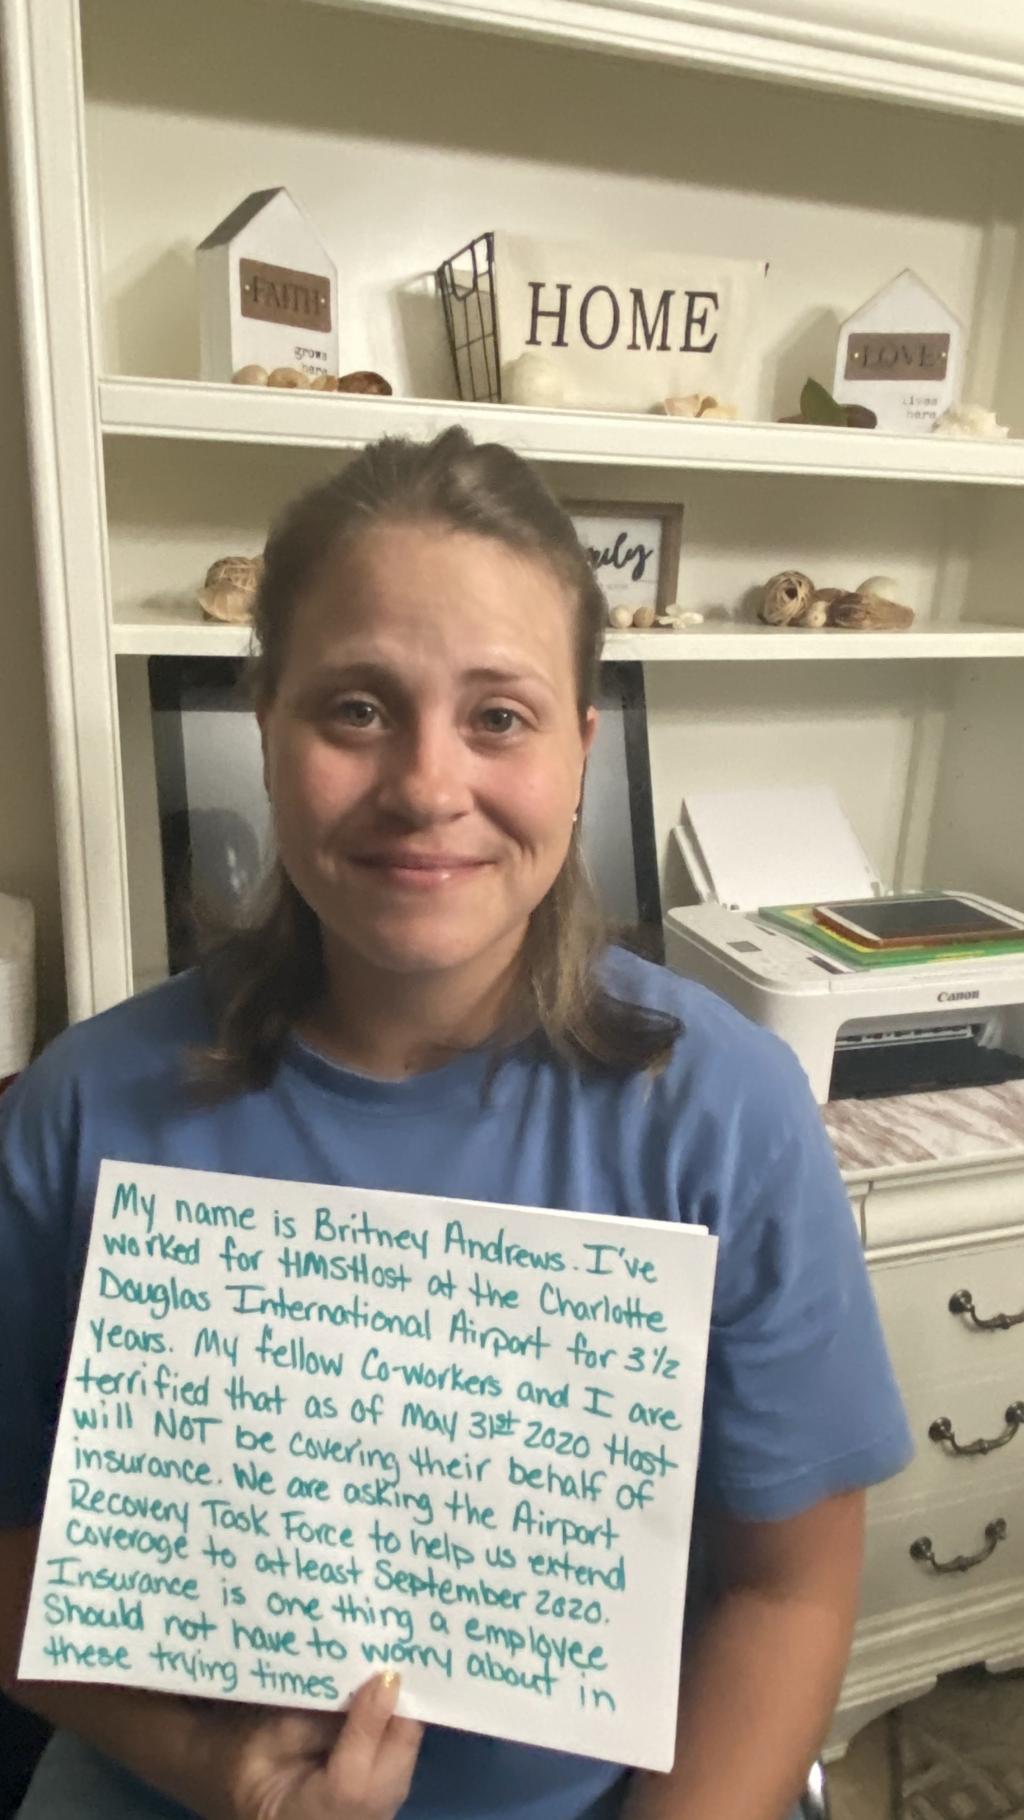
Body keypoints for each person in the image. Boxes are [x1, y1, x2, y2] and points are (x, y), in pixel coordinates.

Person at [0, 427, 912, 1820]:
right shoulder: (86, 1108)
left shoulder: (721, 1113)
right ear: (266, 723)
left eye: (500, 715)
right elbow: (11, 1544)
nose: (428, 785)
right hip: (178, 1784)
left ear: (581, 749)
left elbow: (786, 1592)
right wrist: (214, 1767)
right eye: (355, 708)